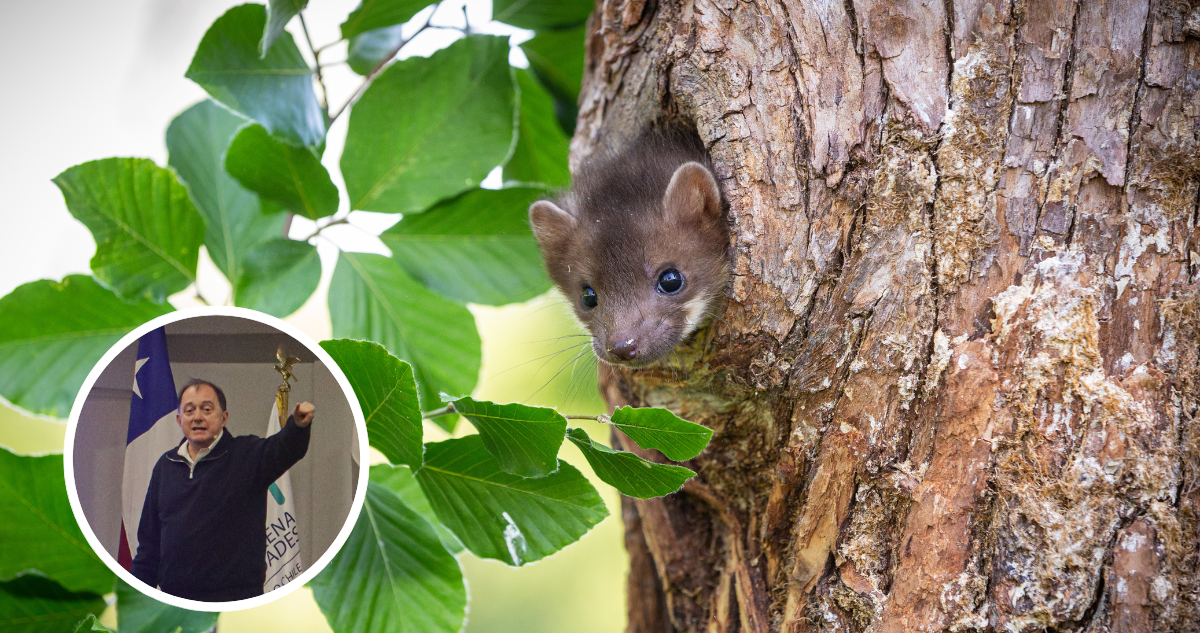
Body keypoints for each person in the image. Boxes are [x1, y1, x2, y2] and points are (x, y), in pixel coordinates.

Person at [130, 378, 313, 602]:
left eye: (207, 409)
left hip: (235, 601)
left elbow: (283, 449)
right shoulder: (166, 465)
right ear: (179, 420)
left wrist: (297, 427)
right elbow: (149, 546)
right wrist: (134, 599)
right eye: (189, 410)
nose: (198, 417)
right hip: (175, 602)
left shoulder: (246, 455)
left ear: (224, 418)